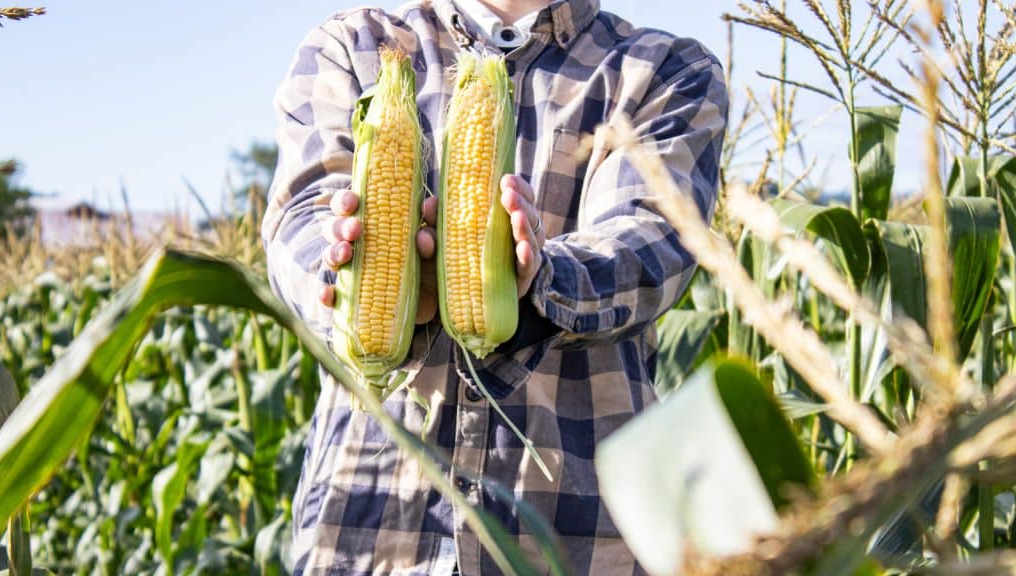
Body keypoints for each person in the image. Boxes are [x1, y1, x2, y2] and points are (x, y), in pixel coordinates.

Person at [261, 0, 728, 573]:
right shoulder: (355, 47)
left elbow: (650, 242)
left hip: (571, 534)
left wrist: (534, 281)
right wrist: (359, 276)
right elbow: (300, 219)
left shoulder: (664, 70)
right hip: (371, 529)